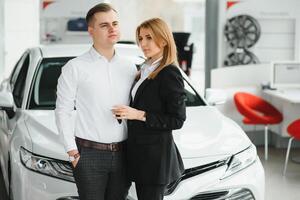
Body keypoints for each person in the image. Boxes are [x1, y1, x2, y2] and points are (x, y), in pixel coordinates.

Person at [55, 3, 136, 200]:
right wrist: (72, 152)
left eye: (115, 23)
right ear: (91, 30)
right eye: (104, 25)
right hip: (88, 153)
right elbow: (62, 110)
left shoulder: (130, 67)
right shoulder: (74, 67)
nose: (112, 29)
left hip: (124, 153)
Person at [112, 18, 186, 200]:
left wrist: (138, 114)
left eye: (148, 38)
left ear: (163, 39)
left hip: (155, 160)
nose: (143, 44)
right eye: (140, 38)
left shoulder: (169, 73)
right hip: (139, 156)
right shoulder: (145, 68)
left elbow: (177, 120)